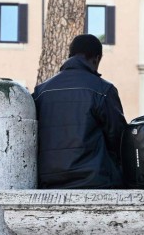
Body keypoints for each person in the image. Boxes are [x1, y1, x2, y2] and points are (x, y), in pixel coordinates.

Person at [33, 34, 127, 189]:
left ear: (69, 55)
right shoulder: (103, 90)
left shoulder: (41, 91)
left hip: (49, 182)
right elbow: (119, 139)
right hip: (95, 181)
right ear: (96, 59)